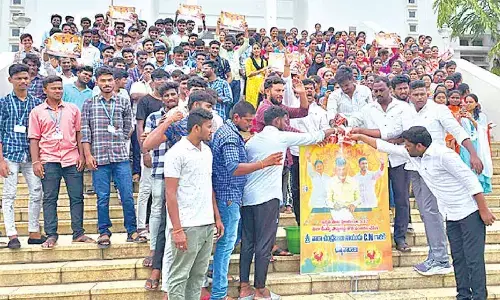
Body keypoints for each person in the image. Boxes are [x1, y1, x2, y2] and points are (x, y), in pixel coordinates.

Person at [350, 126, 495, 300]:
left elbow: (470, 180)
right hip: (451, 215)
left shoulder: (444, 155)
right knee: (458, 259)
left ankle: (479, 297)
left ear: (419, 146)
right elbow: (385, 147)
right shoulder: (416, 155)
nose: (405, 148)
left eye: (408, 145)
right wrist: (360, 136)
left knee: (473, 260)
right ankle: (463, 296)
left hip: (470, 213)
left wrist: (484, 210)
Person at [239, 106, 337, 299]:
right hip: (267, 199)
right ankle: (260, 290)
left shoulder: (253, 140)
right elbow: (312, 137)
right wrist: (332, 130)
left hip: (248, 198)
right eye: (286, 121)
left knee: (248, 242)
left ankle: (244, 287)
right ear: (277, 121)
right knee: (264, 243)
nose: (288, 125)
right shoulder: (280, 137)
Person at [407, 80, 484, 275]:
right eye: (415, 94)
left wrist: (473, 154)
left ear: (428, 94)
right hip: (415, 165)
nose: (419, 97)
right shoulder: (406, 111)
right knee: (425, 212)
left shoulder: (438, 110)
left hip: (436, 165)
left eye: (422, 94)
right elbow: (395, 135)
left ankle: (440, 259)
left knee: (432, 211)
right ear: (409, 95)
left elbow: (457, 131)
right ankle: (435, 255)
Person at [81, 67, 146, 248]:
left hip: (120, 157)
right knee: (102, 196)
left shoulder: (123, 102)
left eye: (110, 80)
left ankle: (131, 230)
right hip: (99, 158)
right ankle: (104, 231)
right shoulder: (89, 103)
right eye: (103, 81)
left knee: (126, 195)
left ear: (115, 82)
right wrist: (87, 155)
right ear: (97, 82)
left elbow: (129, 128)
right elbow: (85, 132)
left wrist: (118, 139)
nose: (107, 84)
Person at [28, 75, 94, 249]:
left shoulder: (73, 109)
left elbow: (79, 133)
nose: (58, 91)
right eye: (54, 88)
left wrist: (82, 155)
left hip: (72, 158)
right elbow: (34, 138)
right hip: (48, 159)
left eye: (60, 88)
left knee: (77, 197)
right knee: (49, 198)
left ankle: (78, 233)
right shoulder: (37, 112)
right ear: (45, 90)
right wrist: (36, 161)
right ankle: (51, 234)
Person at [164, 108, 224, 300]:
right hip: (187, 225)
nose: (211, 131)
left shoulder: (207, 151)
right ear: (196, 127)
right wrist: (177, 229)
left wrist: (217, 217)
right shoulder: (177, 153)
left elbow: (209, 186)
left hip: (206, 223)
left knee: (198, 277)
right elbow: (170, 193)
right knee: (179, 276)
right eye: (208, 127)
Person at [351, 76, 414, 251]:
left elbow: (405, 132)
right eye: (375, 91)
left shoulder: (403, 108)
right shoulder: (368, 109)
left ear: (390, 89)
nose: (378, 94)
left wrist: (373, 134)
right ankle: (377, 236)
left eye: (381, 90)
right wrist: (340, 121)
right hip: (374, 160)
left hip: (399, 159)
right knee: (376, 199)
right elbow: (353, 121)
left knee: (401, 200)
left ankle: (400, 238)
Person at [142, 82, 184, 292]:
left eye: (173, 94)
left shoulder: (185, 116)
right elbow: (147, 141)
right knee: (158, 209)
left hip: (182, 176)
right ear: (160, 97)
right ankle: (153, 250)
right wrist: (166, 122)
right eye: (166, 95)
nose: (170, 98)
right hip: (160, 168)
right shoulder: (153, 117)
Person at [0, 64, 45, 249]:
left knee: (36, 191)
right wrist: (0, 160)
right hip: (10, 153)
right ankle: (12, 234)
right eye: (18, 78)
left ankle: (34, 231)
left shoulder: (36, 103)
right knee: (9, 194)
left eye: (26, 78)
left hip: (30, 154)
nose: (23, 81)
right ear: (10, 80)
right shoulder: (3, 103)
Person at [136, 68, 170, 238]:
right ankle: (141, 226)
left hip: (170, 162)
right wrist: (144, 152)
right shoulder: (146, 102)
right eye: (159, 79)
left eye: (165, 78)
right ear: (152, 81)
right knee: (146, 191)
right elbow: (141, 128)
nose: (161, 81)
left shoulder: (181, 113)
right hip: (153, 155)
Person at [458, 94, 493, 194]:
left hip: (478, 144)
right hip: (465, 145)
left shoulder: (481, 116)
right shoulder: (461, 115)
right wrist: (459, 117)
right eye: (467, 102)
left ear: (476, 103)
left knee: (478, 165)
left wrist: (471, 119)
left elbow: (482, 129)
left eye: (471, 102)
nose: (468, 104)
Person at [244, 42, 268, 108]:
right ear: (252, 50)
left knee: (260, 105)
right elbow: (248, 73)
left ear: (260, 50)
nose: (256, 50)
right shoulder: (249, 60)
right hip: (251, 85)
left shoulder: (264, 61)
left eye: (258, 48)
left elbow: (266, 74)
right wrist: (261, 70)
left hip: (261, 85)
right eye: (254, 49)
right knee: (251, 105)